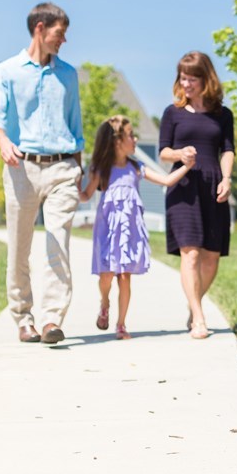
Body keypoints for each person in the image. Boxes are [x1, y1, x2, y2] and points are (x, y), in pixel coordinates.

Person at [0, 2, 83, 345]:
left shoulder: (68, 74)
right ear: (40, 28)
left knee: (58, 241)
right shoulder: (7, 71)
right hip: (21, 167)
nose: (64, 40)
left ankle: (51, 320)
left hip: (62, 166)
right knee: (20, 246)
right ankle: (23, 318)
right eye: (59, 33)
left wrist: (79, 167)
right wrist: (2, 142)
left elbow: (76, 124)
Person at [80, 115, 186, 340]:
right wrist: (69, 185)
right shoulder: (102, 169)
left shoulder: (136, 168)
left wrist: (187, 166)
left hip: (128, 232)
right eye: (130, 134)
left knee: (125, 277)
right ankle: (105, 302)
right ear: (117, 141)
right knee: (106, 276)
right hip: (107, 230)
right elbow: (86, 194)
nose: (135, 138)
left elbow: (166, 181)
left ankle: (121, 324)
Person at [158, 51, 234, 340]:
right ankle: (199, 318)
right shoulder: (172, 113)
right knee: (189, 254)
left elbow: (227, 149)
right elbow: (164, 152)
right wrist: (179, 153)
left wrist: (226, 179)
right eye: (182, 78)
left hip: (213, 186)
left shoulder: (222, 115)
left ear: (206, 79)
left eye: (192, 79)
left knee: (211, 257)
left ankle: (194, 304)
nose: (186, 84)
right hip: (184, 188)